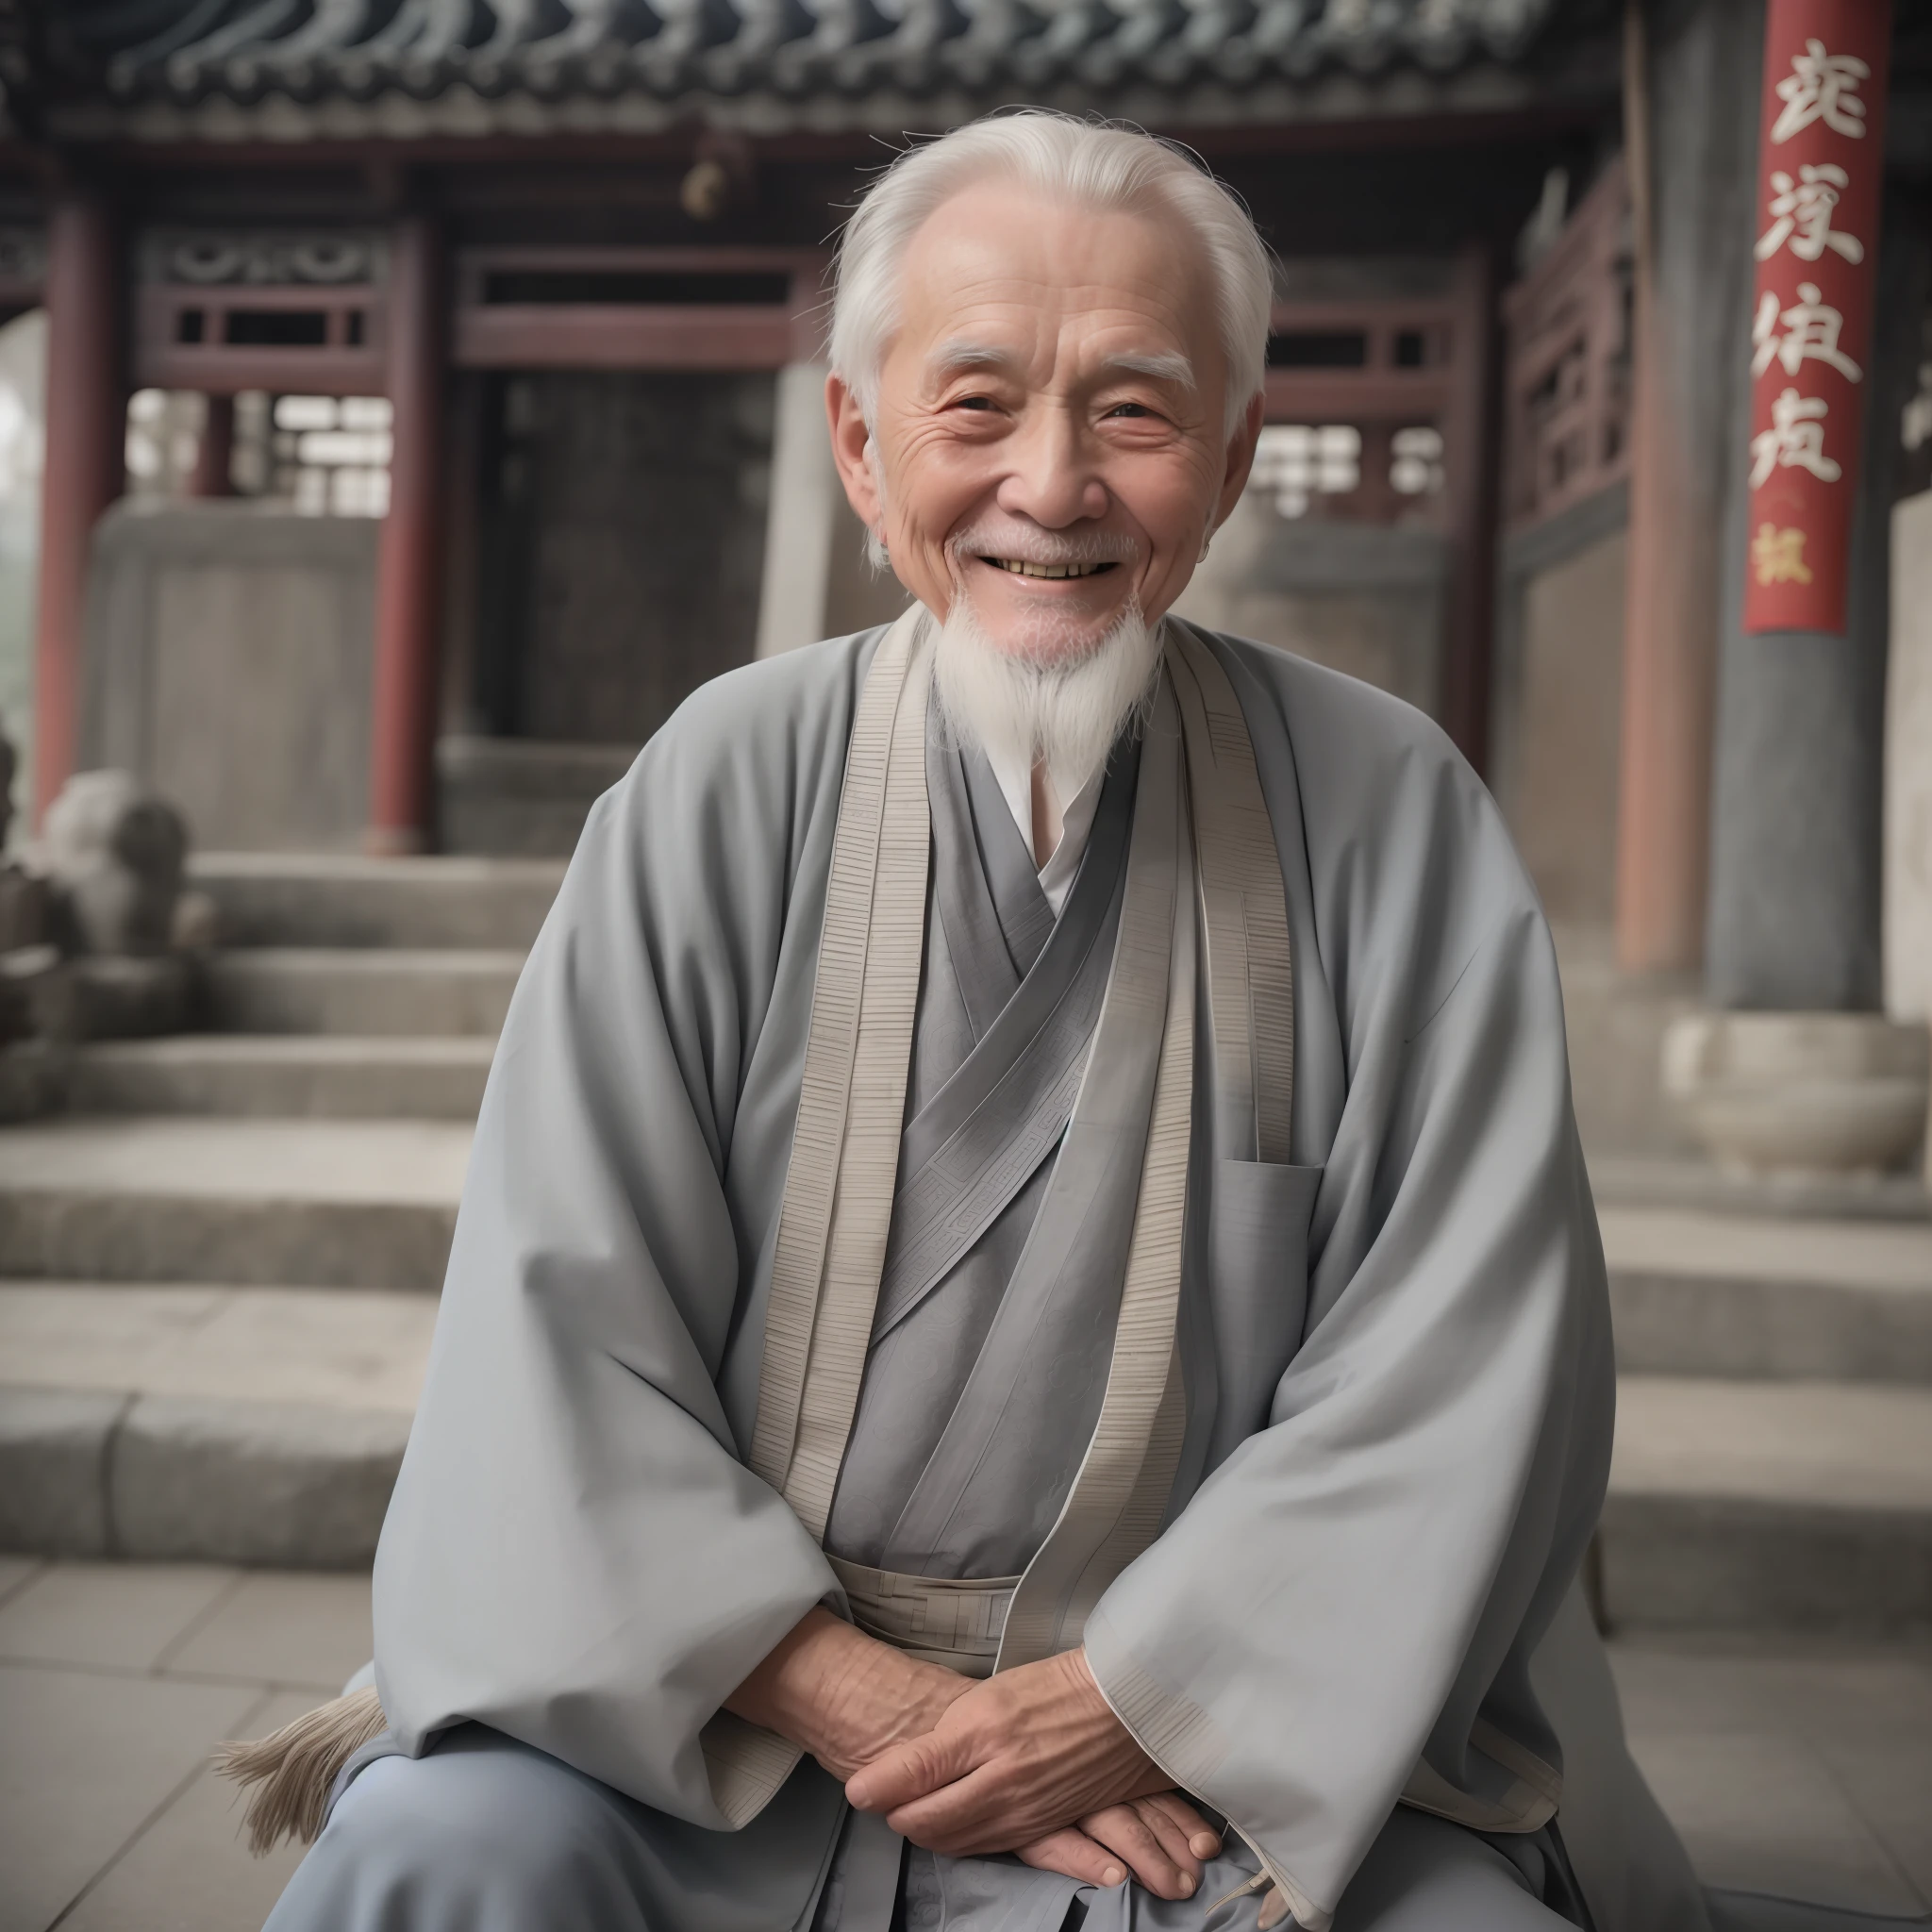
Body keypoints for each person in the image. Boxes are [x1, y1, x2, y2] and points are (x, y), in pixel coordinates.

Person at [250, 111, 1712, 1932]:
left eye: (1133, 409)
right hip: (721, 1736)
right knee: (437, 1865)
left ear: (1234, 456)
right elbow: (553, 1338)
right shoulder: (720, 786)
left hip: (1203, 1766)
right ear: (864, 448)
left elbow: (1466, 1368)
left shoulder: (1391, 816)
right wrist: (871, 1699)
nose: (1053, 482)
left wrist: (1121, 1711)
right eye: (976, 406)